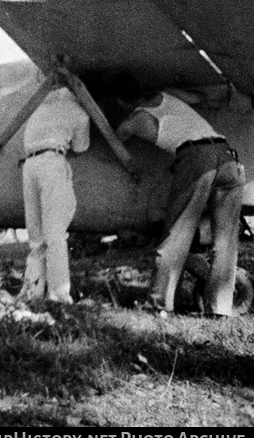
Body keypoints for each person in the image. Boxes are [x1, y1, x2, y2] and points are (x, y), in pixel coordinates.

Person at [115, 83, 245, 316]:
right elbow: (198, 95)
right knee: (225, 241)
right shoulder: (167, 95)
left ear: (121, 102)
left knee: (177, 233)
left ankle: (159, 303)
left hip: (197, 158)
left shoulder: (136, 119)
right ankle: (220, 308)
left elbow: (117, 137)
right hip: (227, 156)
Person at [19, 87, 92, 304]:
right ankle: (59, 295)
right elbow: (81, 147)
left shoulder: (44, 102)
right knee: (56, 233)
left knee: (36, 234)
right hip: (52, 161)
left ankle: (33, 289)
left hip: (29, 163)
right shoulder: (81, 113)